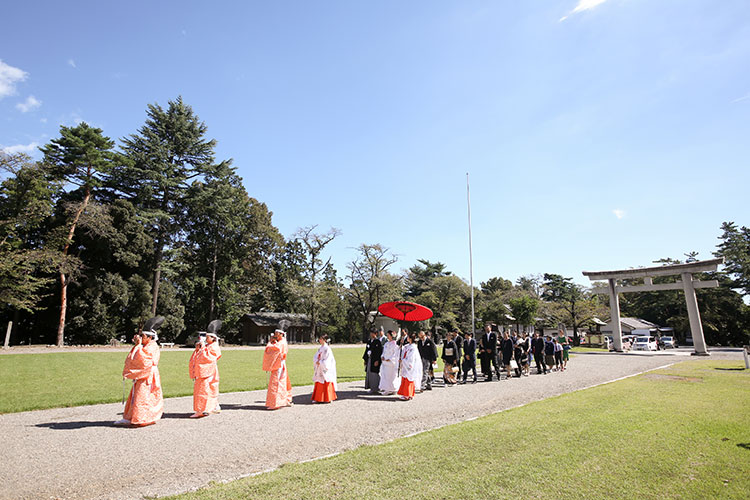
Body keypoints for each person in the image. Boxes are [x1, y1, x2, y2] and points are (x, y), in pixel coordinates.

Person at [115, 329, 163, 426]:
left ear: (150, 337)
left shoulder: (152, 346)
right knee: (136, 395)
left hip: (148, 374)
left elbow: (144, 360)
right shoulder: (147, 345)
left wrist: (138, 345)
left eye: (143, 336)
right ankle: (130, 417)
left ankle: (141, 418)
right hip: (144, 373)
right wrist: (138, 345)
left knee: (142, 396)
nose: (141, 338)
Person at [188, 331, 222, 418]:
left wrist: (202, 348)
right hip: (209, 370)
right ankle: (213, 406)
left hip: (208, 370)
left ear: (213, 338)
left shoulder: (214, 346)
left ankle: (202, 409)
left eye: (208, 337)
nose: (206, 339)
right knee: (210, 388)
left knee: (204, 389)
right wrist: (198, 349)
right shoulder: (208, 346)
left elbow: (208, 358)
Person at [262, 328, 291, 410]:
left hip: (278, 364)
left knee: (276, 382)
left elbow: (272, 348)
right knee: (282, 381)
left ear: (281, 334)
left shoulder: (280, 343)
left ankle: (275, 403)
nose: (275, 335)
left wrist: (270, 342)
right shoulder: (283, 341)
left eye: (276, 333)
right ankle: (284, 400)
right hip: (281, 363)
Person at [397, 332, 422, 400]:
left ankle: (407, 395)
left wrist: (403, 361)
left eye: (408, 337)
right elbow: (402, 351)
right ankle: (408, 394)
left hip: (409, 365)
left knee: (409, 379)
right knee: (405, 379)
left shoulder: (413, 348)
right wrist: (401, 346)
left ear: (411, 339)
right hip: (405, 364)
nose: (407, 338)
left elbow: (411, 358)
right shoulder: (407, 346)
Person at [312, 334, 337, 403]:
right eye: (319, 339)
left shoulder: (327, 348)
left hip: (324, 366)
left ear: (325, 340)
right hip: (319, 366)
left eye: (321, 339)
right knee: (319, 381)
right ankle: (318, 398)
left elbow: (328, 359)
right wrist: (316, 360)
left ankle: (328, 398)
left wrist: (320, 362)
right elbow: (316, 356)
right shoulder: (320, 348)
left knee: (326, 380)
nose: (320, 340)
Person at [379, 330, 400, 395]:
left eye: (388, 335)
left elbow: (396, 354)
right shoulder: (386, 343)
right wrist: (382, 356)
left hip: (391, 363)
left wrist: (390, 359)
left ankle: (393, 389)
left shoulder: (395, 345)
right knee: (385, 376)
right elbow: (384, 352)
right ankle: (387, 389)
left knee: (392, 376)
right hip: (385, 363)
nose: (387, 336)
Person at [363, 329, 383, 394]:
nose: (371, 334)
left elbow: (379, 352)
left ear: (376, 334)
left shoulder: (378, 342)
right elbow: (366, 350)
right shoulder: (369, 341)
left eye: (373, 333)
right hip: (369, 359)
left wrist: (377, 360)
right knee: (369, 372)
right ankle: (371, 387)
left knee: (374, 374)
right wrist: (365, 359)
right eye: (371, 333)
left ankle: (376, 388)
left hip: (374, 359)